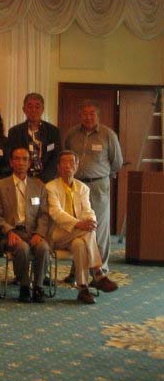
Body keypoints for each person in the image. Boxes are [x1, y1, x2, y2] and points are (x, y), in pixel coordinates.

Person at [45, 150, 118, 303]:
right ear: (58, 167)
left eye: (72, 162)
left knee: (80, 244)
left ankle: (82, 288)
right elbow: (56, 213)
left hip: (77, 235)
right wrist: (80, 224)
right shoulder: (50, 187)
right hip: (57, 235)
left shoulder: (83, 188)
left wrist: (91, 221)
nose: (68, 166)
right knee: (87, 232)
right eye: (64, 162)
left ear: (77, 166)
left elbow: (88, 210)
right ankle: (98, 272)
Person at [63, 100, 123, 274]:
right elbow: (66, 156)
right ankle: (77, 269)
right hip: (76, 185)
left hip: (98, 185)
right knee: (77, 226)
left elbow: (117, 162)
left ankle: (101, 269)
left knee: (99, 227)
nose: (88, 117)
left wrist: (102, 175)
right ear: (80, 115)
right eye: (85, 113)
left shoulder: (108, 134)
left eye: (92, 113)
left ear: (98, 115)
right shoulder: (72, 133)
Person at [0, 146, 51, 303]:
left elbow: (44, 214)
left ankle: (38, 287)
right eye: (17, 159)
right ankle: (24, 286)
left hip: (32, 232)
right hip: (10, 233)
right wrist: (9, 231)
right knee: (22, 248)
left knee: (44, 248)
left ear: (30, 163)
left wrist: (39, 233)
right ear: (11, 162)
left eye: (25, 159)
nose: (21, 162)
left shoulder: (39, 186)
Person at [6, 92, 61, 182]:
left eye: (37, 106)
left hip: (47, 180)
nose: (33, 110)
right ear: (24, 109)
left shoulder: (53, 131)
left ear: (43, 109)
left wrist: (44, 178)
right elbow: (12, 157)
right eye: (30, 106)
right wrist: (25, 178)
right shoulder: (14, 132)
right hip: (22, 178)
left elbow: (56, 157)